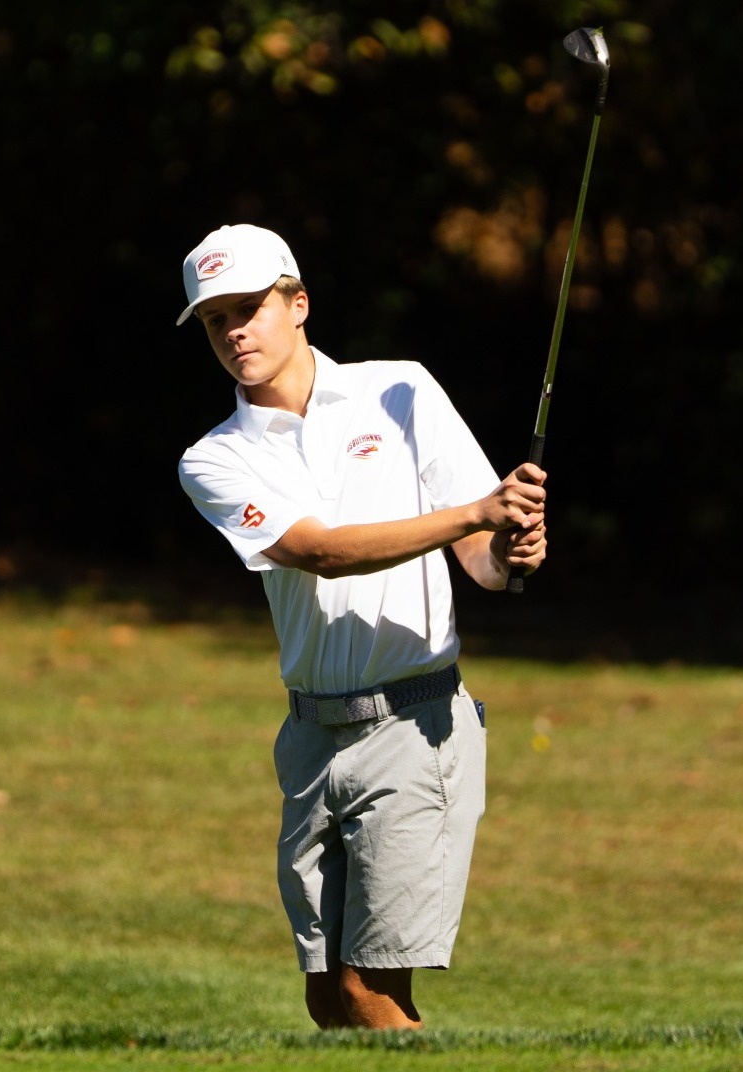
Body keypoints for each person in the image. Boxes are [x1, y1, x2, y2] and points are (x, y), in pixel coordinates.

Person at [174, 223, 547, 1030]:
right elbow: (320, 553)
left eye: (249, 308)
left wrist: (508, 548)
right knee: (327, 997)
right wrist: (475, 516)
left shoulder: (401, 390)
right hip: (310, 739)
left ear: (297, 304)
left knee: (366, 991)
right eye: (214, 319)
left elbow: (482, 562)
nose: (233, 331)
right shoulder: (214, 458)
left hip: (415, 724)